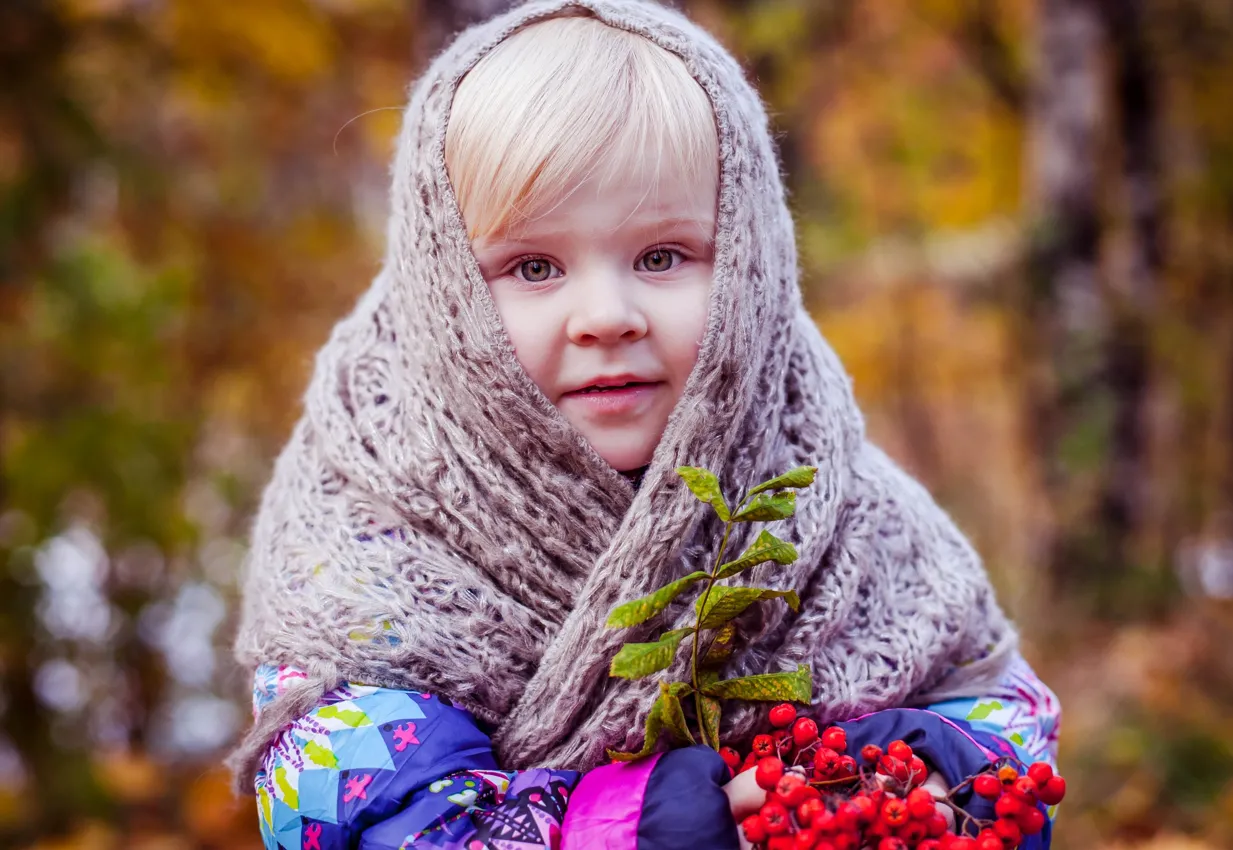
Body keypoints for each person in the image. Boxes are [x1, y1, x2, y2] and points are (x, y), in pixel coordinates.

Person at [228, 2, 1062, 848]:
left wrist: (932, 781)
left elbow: (1005, 716)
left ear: (748, 266)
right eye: (534, 266)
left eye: (662, 258)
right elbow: (367, 811)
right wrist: (646, 829)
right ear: (445, 290)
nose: (606, 315)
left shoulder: (825, 493)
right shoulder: (364, 545)